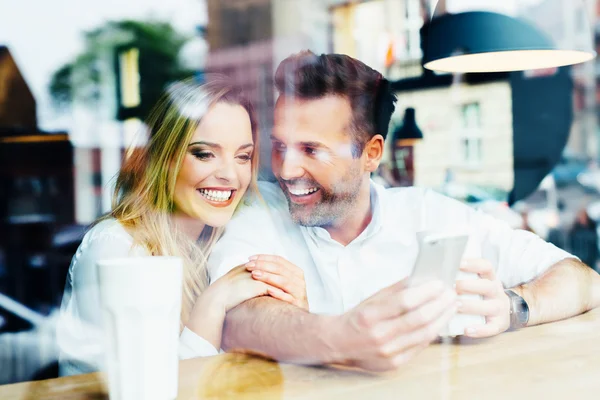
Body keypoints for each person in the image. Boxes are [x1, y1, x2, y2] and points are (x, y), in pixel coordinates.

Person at [207, 51, 600, 372]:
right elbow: (240, 320)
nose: (286, 169)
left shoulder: (431, 215)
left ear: (372, 154)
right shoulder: (260, 210)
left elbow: (583, 280)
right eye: (279, 146)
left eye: (311, 150)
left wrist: (516, 306)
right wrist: (343, 337)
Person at [56, 78, 307, 376]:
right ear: (164, 159)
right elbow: (144, 391)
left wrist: (294, 311)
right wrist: (214, 302)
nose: (231, 175)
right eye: (204, 154)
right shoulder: (114, 248)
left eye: (243, 156)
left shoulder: (230, 242)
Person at [569, 207, 599, 271]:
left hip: (591, 260)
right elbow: (571, 245)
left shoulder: (591, 229)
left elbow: (595, 245)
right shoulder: (575, 230)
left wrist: (597, 257)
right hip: (579, 259)